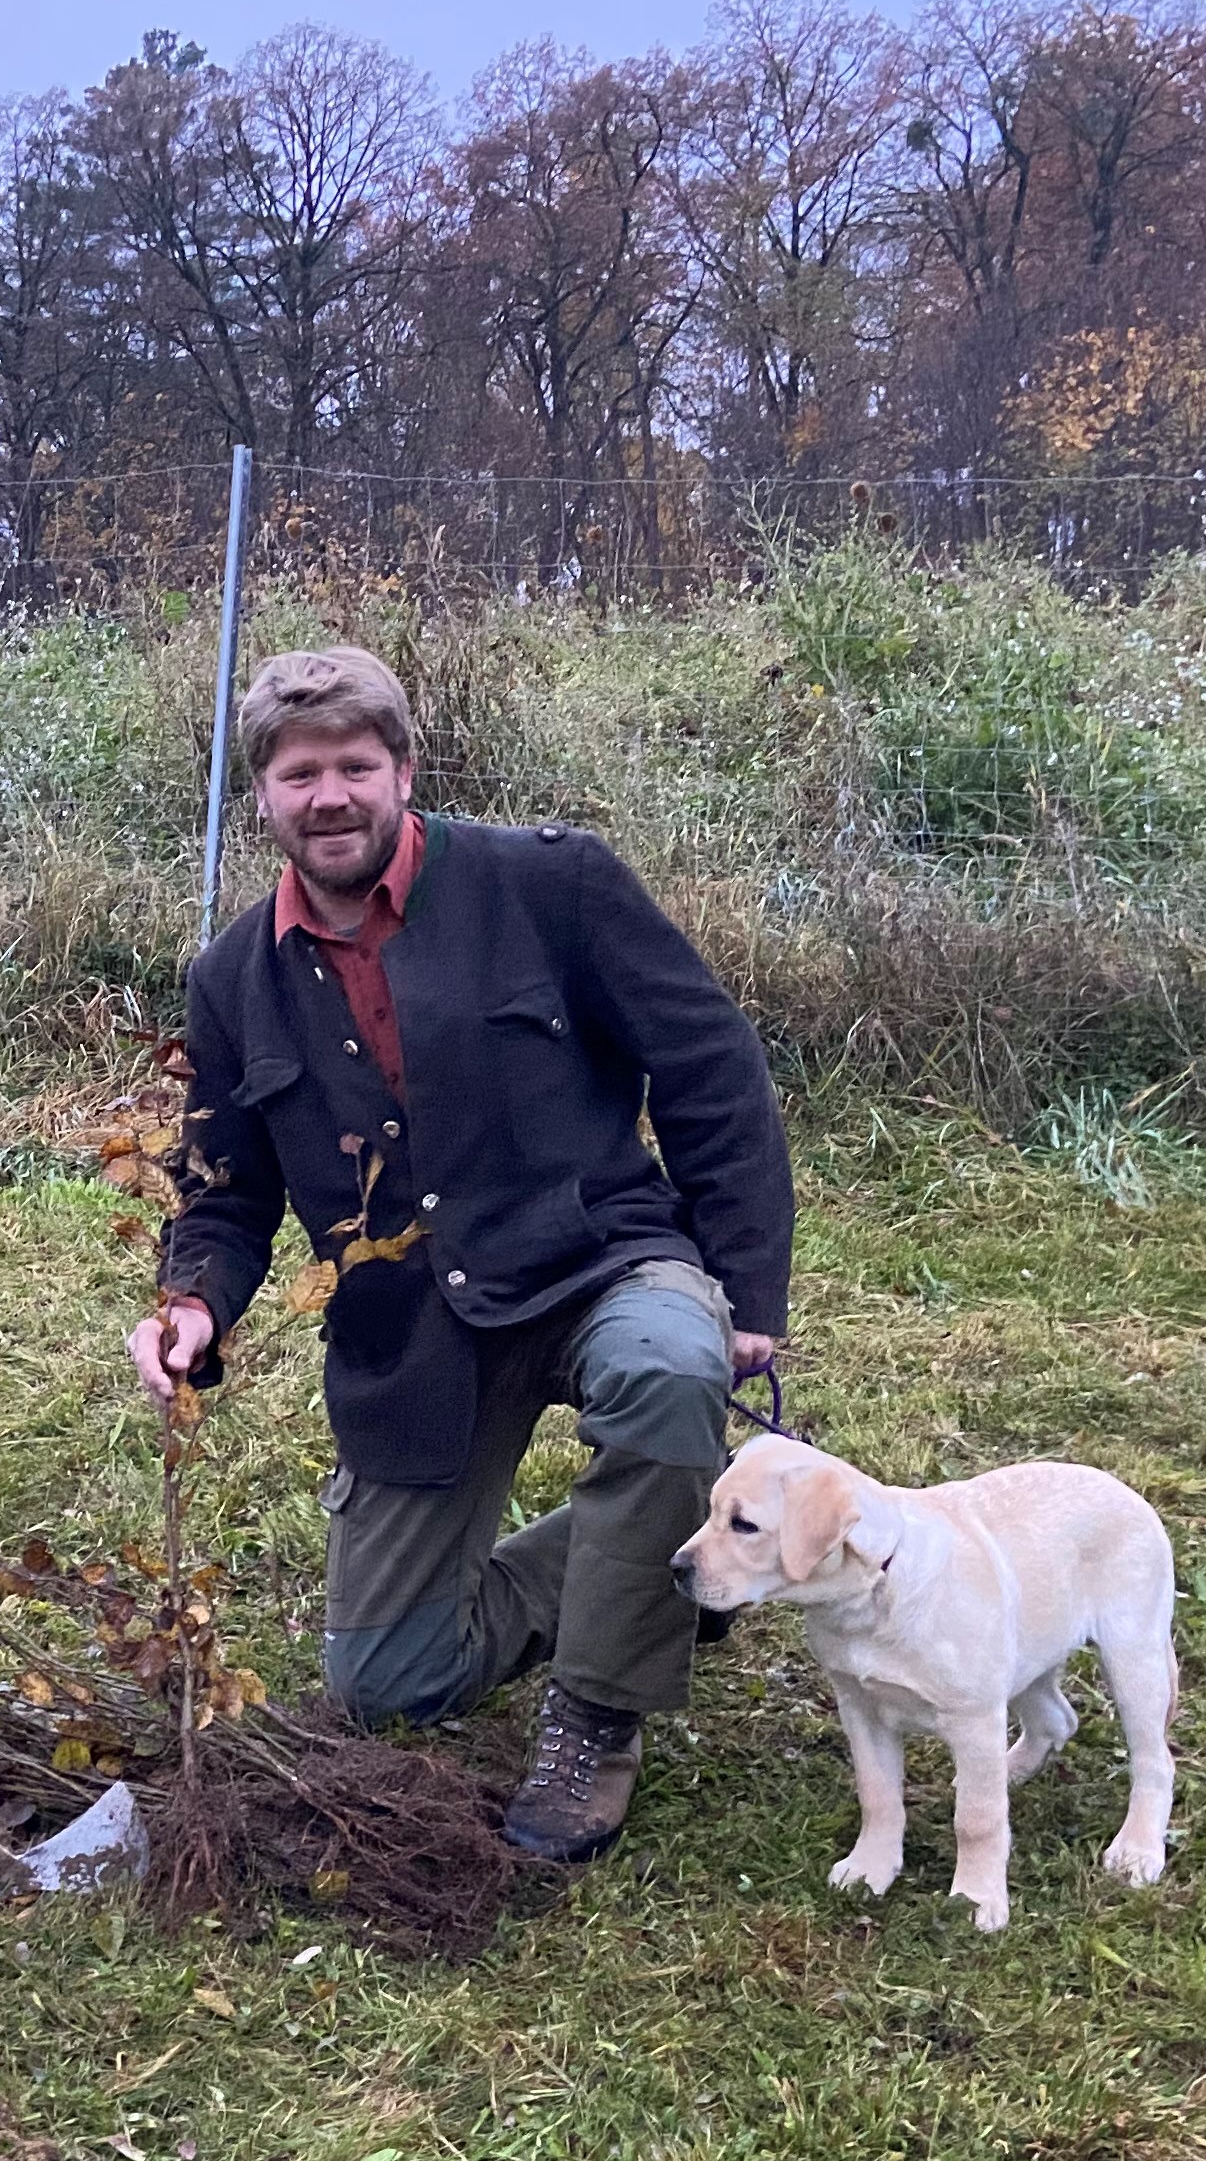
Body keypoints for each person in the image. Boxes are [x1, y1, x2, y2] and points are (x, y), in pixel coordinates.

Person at [132, 646, 792, 1864]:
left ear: (403, 771)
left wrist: (746, 1291)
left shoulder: (553, 886)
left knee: (668, 1371)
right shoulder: (234, 977)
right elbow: (225, 1186)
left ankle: (596, 1721)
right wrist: (192, 1304)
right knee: (393, 1684)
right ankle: (655, 1553)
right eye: (298, 773)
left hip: (598, 1262)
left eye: (355, 766)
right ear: (262, 795)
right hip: (410, 1330)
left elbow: (710, 1069)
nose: (330, 796)